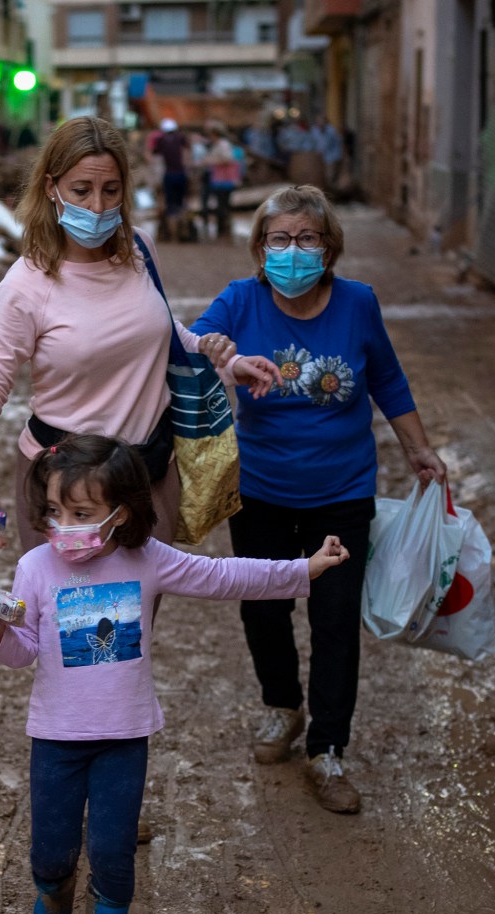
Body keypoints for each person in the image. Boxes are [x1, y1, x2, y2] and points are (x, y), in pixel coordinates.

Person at [0, 434, 347, 914]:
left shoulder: (149, 559)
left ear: (122, 511)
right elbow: (24, 650)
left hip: (124, 738)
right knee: (50, 849)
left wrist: (303, 569)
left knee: (112, 851)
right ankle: (54, 891)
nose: (63, 526)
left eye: (81, 514)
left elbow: (225, 577)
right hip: (55, 739)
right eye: (54, 512)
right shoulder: (34, 566)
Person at [191, 185, 448, 814]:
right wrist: (217, 352)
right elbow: (188, 346)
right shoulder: (240, 299)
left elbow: (386, 377)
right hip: (260, 491)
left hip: (342, 491)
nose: (293, 251)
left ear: (329, 248)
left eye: (307, 238)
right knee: (263, 611)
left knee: (335, 621)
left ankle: (328, 749)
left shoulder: (357, 303)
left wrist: (419, 449)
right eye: (279, 239)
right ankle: (283, 705)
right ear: (260, 248)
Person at [0, 114, 251, 555]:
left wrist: (230, 363)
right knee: (67, 623)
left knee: (138, 622)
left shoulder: (140, 250)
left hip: (148, 477)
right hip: (63, 491)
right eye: (82, 190)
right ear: (52, 187)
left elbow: (162, 334)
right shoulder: (26, 284)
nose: (97, 206)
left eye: (110, 190)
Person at [149, 118, 192, 244]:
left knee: (171, 206)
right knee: (182, 203)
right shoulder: (181, 139)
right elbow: (187, 154)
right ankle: (184, 231)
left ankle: (174, 237)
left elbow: (153, 155)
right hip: (181, 174)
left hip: (169, 175)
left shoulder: (161, 141)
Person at [200, 122, 244, 240]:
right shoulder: (219, 145)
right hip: (219, 179)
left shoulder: (222, 145)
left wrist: (211, 161)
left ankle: (223, 230)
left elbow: (227, 159)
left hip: (223, 180)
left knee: (223, 205)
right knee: (221, 204)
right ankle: (223, 229)